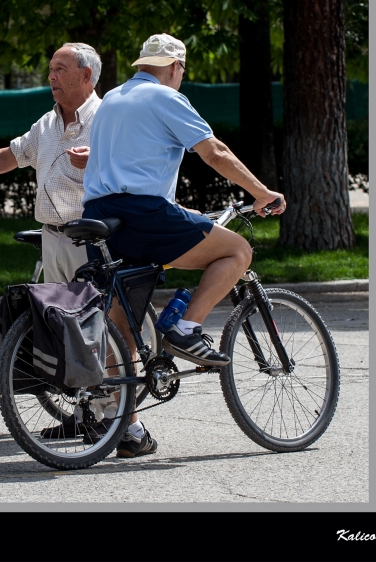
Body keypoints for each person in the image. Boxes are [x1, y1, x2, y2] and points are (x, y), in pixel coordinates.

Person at [0, 42, 158, 455]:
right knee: (64, 332)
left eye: (60, 68)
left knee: (100, 332)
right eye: (50, 68)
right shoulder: (48, 123)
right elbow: (10, 156)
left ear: (86, 76)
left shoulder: (108, 118)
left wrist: (99, 162)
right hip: (54, 237)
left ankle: (129, 424)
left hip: (93, 240)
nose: (51, 76)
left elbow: (138, 172)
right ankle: (88, 412)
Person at [82, 33, 286, 453]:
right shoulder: (165, 98)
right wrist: (262, 192)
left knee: (122, 326)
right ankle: (186, 327)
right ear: (175, 67)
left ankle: (127, 429)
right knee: (235, 250)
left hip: (100, 218)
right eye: (182, 71)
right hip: (143, 214)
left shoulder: (112, 101)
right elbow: (214, 151)